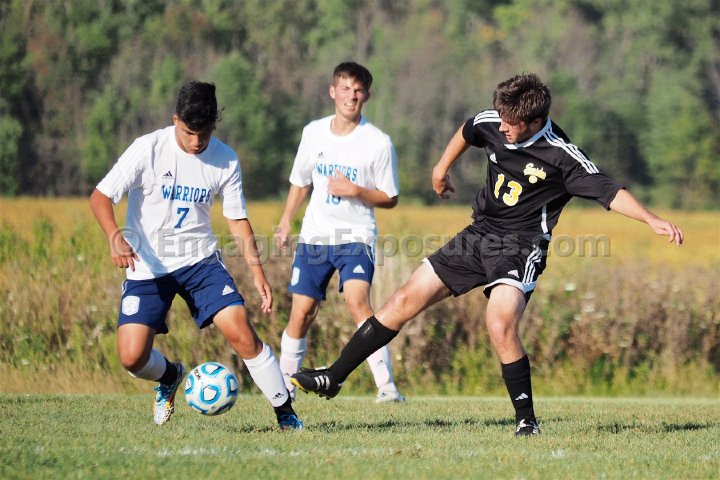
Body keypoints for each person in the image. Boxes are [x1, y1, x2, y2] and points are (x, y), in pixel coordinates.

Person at [290, 73, 683, 435]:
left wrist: (652, 219)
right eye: (501, 118)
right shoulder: (495, 120)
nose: (502, 127)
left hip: (521, 247)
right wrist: (440, 169)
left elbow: (610, 192)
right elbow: (469, 129)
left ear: (534, 121)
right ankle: (334, 377)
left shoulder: (561, 156)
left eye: (511, 123)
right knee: (403, 299)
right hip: (478, 234)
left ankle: (526, 421)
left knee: (499, 322)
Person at [89, 81, 303, 429]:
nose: (197, 141)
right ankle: (170, 376)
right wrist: (115, 237)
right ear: (175, 120)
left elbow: (236, 219)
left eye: (204, 133)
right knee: (131, 357)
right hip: (147, 266)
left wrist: (257, 272)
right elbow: (100, 197)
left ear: (214, 126)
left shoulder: (226, 159)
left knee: (241, 331)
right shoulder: (148, 148)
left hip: (199, 263)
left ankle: (286, 412)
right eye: (189, 133)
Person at [274, 62, 405, 403]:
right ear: (333, 91)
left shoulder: (378, 142)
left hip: (356, 237)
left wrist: (356, 190)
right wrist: (286, 220)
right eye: (345, 88)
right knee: (302, 312)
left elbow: (390, 197)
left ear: (367, 96)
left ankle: (387, 387)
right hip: (315, 237)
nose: (351, 96)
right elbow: (300, 181)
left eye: (358, 90)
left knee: (357, 302)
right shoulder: (313, 133)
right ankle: (285, 389)